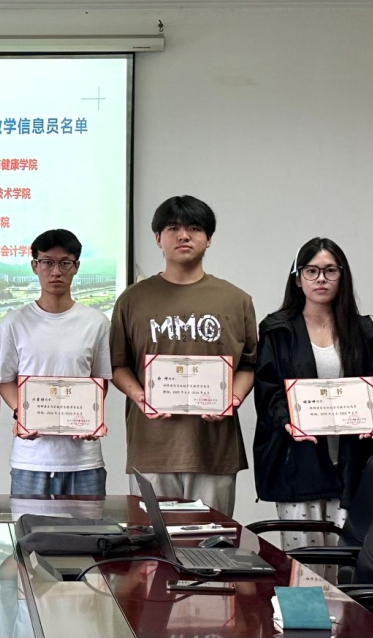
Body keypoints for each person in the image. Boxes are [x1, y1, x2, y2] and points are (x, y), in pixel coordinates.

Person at [110, 195, 256, 516]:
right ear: (158, 238)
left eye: (195, 228)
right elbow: (119, 365)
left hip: (214, 448)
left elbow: (249, 364)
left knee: (212, 540)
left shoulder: (236, 300)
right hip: (152, 447)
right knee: (153, 541)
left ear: (209, 239)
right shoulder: (132, 300)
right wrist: (139, 396)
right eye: (173, 228)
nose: (184, 236)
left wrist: (233, 398)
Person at [253, 238, 373, 553]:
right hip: (298, 462)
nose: (321, 279)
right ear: (298, 278)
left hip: (351, 463)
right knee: (304, 565)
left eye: (330, 270)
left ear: (342, 276)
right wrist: (287, 420)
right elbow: (268, 389)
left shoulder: (363, 331)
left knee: (347, 563)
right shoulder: (278, 330)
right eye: (312, 271)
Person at [0, 229, 112, 496]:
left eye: (64, 263)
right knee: (29, 525)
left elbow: (100, 381)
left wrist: (90, 416)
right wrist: (21, 413)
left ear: (76, 266)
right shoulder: (14, 322)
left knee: (88, 524)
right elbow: (4, 380)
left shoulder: (96, 322)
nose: (56, 271)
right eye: (47, 262)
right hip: (31, 459)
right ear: (34, 266)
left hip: (84, 460)